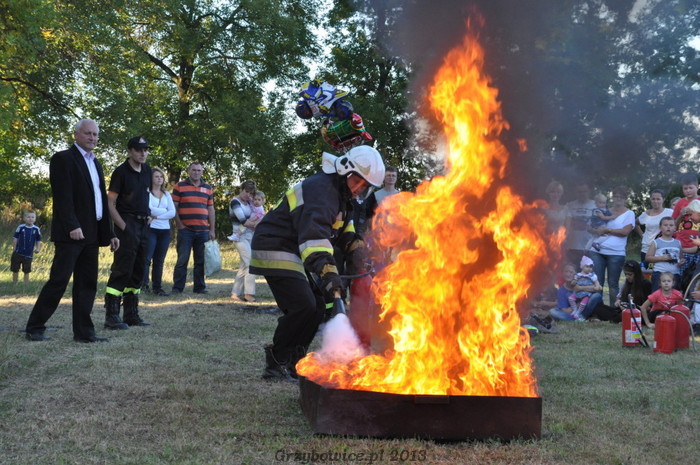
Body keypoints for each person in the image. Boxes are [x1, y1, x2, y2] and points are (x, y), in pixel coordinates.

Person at [251, 146, 385, 381]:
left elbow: (345, 231)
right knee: (303, 305)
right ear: (344, 170)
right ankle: (276, 362)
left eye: (364, 186)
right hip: (275, 244)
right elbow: (314, 237)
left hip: (294, 247)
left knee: (318, 307)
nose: (359, 189)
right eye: (357, 181)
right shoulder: (322, 189)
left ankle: (294, 361)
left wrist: (359, 253)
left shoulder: (343, 197)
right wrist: (329, 273)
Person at [25, 119, 119, 343]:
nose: (92, 138)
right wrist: (72, 226)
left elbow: (100, 201)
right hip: (72, 234)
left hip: (92, 233)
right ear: (76, 135)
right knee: (58, 281)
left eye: (95, 134)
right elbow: (63, 197)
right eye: (88, 133)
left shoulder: (96, 163)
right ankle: (35, 327)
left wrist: (110, 233)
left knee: (87, 284)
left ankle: (84, 333)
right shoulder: (63, 159)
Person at [103, 136, 153, 329]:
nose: (143, 153)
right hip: (127, 224)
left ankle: (131, 315)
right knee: (122, 269)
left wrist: (148, 217)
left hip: (143, 225)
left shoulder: (147, 171)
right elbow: (110, 203)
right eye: (138, 150)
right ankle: (111, 316)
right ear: (130, 151)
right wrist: (123, 227)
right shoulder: (121, 172)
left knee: (139, 269)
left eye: (145, 150)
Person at [171, 162, 216, 294]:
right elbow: (174, 207)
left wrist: (212, 229)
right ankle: (178, 288)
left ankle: (199, 288)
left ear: (202, 172)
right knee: (182, 260)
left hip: (203, 231)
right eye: (194, 170)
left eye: (199, 170)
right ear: (189, 171)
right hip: (186, 230)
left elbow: (211, 209)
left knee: (200, 261)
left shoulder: (208, 188)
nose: (196, 172)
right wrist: (179, 224)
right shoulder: (179, 186)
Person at [588, 186, 635, 305]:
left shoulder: (629, 214)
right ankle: (597, 309)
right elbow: (590, 226)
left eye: (621, 197)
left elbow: (625, 232)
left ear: (625, 199)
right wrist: (596, 230)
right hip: (597, 251)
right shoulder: (604, 210)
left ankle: (613, 310)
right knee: (597, 282)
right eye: (616, 196)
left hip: (616, 253)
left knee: (613, 284)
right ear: (612, 197)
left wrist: (607, 230)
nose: (618, 198)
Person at [143, 167, 176, 296]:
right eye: (156, 176)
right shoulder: (147, 192)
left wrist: (156, 216)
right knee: (147, 259)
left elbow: (172, 212)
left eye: (161, 177)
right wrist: (164, 212)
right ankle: (144, 286)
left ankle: (157, 288)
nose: (159, 179)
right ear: (150, 178)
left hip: (164, 231)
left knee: (159, 260)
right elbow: (148, 209)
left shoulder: (167, 194)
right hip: (151, 229)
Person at [229, 180, 260, 302]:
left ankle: (235, 293)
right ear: (241, 189)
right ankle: (248, 294)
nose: (248, 195)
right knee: (250, 263)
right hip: (239, 236)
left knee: (244, 266)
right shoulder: (235, 202)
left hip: (249, 235)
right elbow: (243, 221)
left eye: (251, 193)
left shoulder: (249, 202)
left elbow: (259, 212)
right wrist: (258, 224)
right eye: (246, 191)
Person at [635, 189, 674, 268]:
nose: (655, 201)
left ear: (663, 199)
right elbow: (635, 223)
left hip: (663, 249)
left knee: (663, 273)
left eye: (658, 199)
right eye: (653, 199)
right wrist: (642, 235)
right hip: (647, 249)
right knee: (647, 273)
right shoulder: (646, 214)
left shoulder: (670, 212)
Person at [672, 175, 700, 281]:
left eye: (690, 188)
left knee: (696, 279)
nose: (688, 190)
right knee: (679, 277)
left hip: (697, 246)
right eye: (685, 188)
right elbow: (673, 225)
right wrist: (680, 215)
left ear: (697, 186)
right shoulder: (680, 203)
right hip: (682, 246)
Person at [645, 216, 682, 291]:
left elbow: (681, 257)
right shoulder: (656, 242)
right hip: (659, 273)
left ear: (675, 228)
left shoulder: (678, 243)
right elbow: (648, 257)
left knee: (674, 295)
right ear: (660, 227)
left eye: (671, 225)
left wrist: (681, 261)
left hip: (674, 274)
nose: (668, 227)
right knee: (657, 295)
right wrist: (661, 258)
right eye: (665, 225)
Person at [359, 165, 399, 231]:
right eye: (388, 175)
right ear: (384, 177)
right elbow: (369, 215)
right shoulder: (375, 195)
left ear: (396, 178)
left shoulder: (400, 196)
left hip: (395, 231)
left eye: (393, 175)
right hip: (378, 231)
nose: (391, 177)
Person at [565, 182, 596, 267]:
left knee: (587, 272)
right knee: (572, 272)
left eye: (584, 191)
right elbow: (566, 223)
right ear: (576, 192)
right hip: (572, 246)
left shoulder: (595, 205)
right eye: (579, 192)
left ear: (589, 192)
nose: (582, 194)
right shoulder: (569, 205)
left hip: (589, 247)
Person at [11, 211, 42, 284]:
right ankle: (14, 283)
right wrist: (14, 249)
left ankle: (26, 284)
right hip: (18, 252)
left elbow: (38, 240)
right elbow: (15, 238)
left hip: (28, 254)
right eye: (28, 217)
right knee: (15, 269)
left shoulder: (36, 229)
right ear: (24, 218)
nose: (30, 219)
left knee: (27, 270)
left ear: (35, 219)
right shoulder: (21, 227)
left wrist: (38, 248)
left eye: (32, 217)